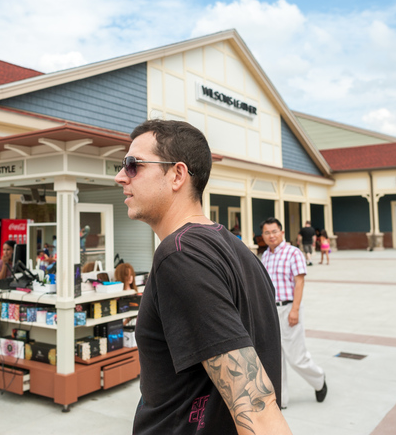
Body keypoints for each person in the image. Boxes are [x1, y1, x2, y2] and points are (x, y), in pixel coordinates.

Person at [115, 119, 290, 434]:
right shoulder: (242, 255)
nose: (120, 177)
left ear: (177, 174)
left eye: (132, 165)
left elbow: (257, 408)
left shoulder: (179, 256)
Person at [260, 217, 328, 410]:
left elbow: (299, 282)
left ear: (282, 232)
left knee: (296, 357)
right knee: (275, 357)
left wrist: (295, 310)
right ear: (263, 236)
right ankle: (280, 400)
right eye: (267, 232)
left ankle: (319, 379)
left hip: (289, 309)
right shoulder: (265, 256)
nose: (271, 235)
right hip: (271, 311)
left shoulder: (293, 253)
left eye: (274, 231)